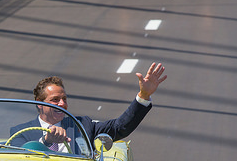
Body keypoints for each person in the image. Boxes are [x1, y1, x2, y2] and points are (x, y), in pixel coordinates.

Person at [9, 62, 167, 149]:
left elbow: (120, 127)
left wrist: (144, 95)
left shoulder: (82, 126)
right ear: (39, 104)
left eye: (64, 98)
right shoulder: (20, 132)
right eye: (55, 100)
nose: (62, 104)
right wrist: (46, 141)